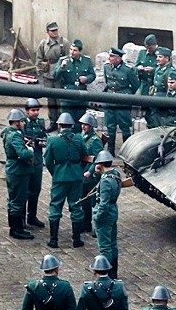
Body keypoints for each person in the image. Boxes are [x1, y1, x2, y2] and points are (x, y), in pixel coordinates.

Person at [44, 113, 89, 249]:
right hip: (76, 176)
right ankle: (76, 240)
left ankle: (54, 239)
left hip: (60, 176)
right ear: (72, 126)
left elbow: (48, 161)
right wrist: (79, 170)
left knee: (55, 206)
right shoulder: (79, 139)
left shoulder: (52, 140)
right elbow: (85, 156)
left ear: (59, 125)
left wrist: (56, 173)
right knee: (76, 206)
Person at [1, 108, 35, 240]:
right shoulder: (15, 135)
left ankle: (16, 227)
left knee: (14, 199)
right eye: (22, 121)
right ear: (16, 122)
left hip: (14, 169)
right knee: (18, 200)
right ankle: (17, 229)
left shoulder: (10, 132)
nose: (24, 123)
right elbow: (23, 154)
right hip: (18, 170)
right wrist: (30, 150)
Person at [102, 46, 140, 156]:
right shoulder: (107, 67)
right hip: (109, 99)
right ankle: (110, 150)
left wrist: (126, 95)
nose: (110, 58)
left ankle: (126, 151)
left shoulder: (128, 70)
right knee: (110, 126)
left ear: (119, 58)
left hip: (122, 100)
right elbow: (107, 81)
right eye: (110, 56)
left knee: (124, 126)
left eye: (112, 56)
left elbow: (135, 85)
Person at [53, 39, 96, 126]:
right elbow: (55, 76)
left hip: (81, 96)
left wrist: (86, 78)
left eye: (75, 50)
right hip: (67, 96)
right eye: (71, 49)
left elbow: (92, 75)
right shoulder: (63, 60)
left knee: (79, 121)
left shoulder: (86, 61)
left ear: (80, 51)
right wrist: (62, 67)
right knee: (66, 120)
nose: (72, 52)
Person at [92, 150, 121, 278]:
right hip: (113, 211)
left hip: (105, 214)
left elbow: (103, 203)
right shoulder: (116, 174)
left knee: (104, 247)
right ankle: (114, 271)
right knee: (113, 244)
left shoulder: (105, 181)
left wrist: (97, 217)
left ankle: (107, 273)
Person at [35, 21, 69, 130]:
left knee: (60, 101)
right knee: (51, 100)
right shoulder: (43, 44)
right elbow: (39, 59)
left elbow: (68, 59)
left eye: (56, 30)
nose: (55, 32)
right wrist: (40, 71)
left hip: (59, 75)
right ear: (47, 32)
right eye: (52, 31)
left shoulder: (64, 43)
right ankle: (53, 122)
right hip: (47, 75)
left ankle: (61, 123)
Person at [22, 98, 47, 229]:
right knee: (24, 191)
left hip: (37, 159)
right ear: (27, 111)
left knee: (35, 189)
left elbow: (45, 136)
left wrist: (43, 142)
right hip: (26, 160)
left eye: (37, 110)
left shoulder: (40, 123)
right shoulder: (22, 124)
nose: (36, 113)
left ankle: (32, 216)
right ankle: (22, 219)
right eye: (33, 110)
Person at [79, 112, 104, 235]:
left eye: (86, 125)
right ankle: (86, 224)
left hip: (91, 175)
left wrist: (90, 171)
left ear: (91, 126)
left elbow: (97, 159)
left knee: (93, 202)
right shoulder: (81, 136)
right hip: (82, 171)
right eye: (83, 124)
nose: (84, 127)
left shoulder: (95, 140)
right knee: (84, 201)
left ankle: (96, 227)